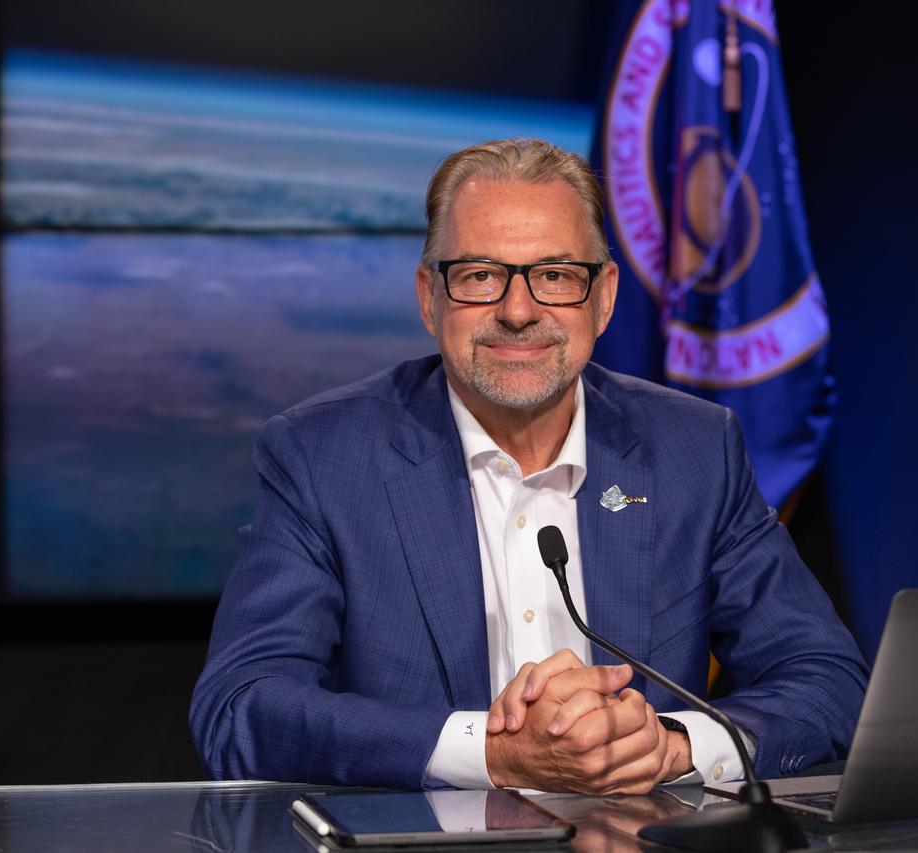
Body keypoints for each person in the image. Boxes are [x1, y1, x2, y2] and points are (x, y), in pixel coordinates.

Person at [190, 138, 868, 794]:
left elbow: (826, 676)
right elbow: (241, 706)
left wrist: (673, 745)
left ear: (603, 297)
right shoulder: (323, 454)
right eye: (481, 275)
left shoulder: (693, 446)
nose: (519, 311)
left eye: (554, 276)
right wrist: (492, 750)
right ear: (430, 297)